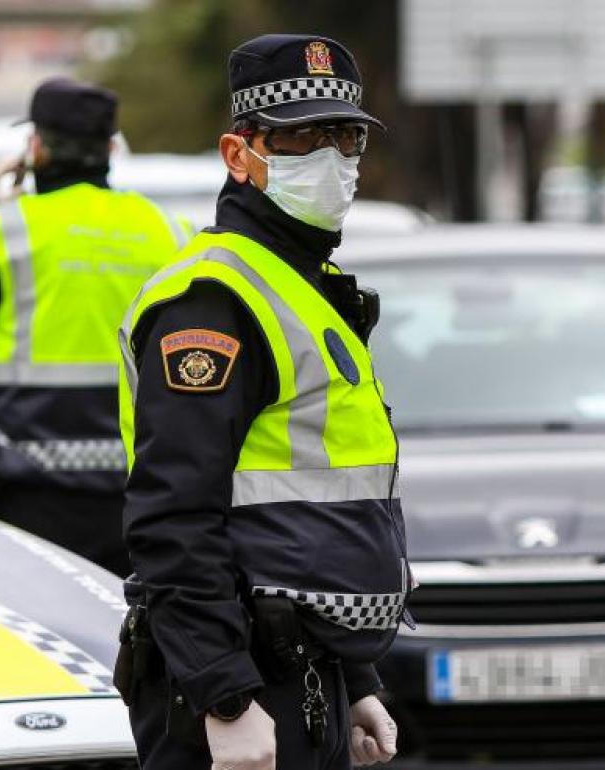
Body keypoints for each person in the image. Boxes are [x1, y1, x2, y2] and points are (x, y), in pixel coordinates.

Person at [115, 34, 404, 770]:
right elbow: (174, 519)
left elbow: (309, 511)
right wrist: (226, 699)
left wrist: (355, 676)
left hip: (304, 674)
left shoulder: (306, 287)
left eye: (346, 136)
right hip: (240, 686)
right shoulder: (213, 303)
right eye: (301, 136)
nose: (333, 158)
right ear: (239, 154)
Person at [0, 78, 190, 576]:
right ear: (109, 149)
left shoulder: (5, 228)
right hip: (144, 497)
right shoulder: (168, 231)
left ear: (34, 148)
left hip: (29, 501)